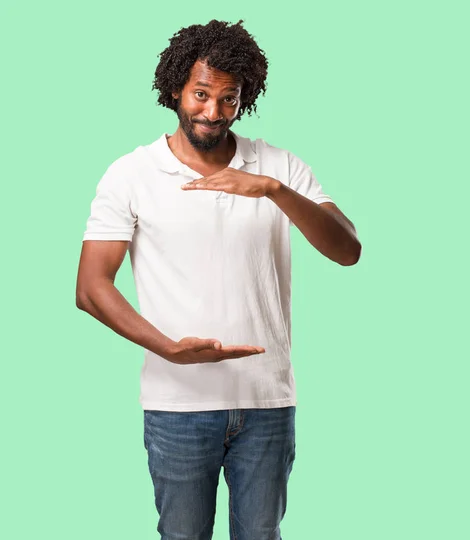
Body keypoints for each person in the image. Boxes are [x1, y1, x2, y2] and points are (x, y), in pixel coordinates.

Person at [76, 19, 361, 540]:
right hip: (178, 404)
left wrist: (274, 190)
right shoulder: (131, 174)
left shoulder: (276, 166)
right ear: (175, 90)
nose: (213, 112)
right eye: (201, 94)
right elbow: (91, 288)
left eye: (228, 99)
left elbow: (348, 250)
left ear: (244, 99)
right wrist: (169, 348)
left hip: (267, 403)